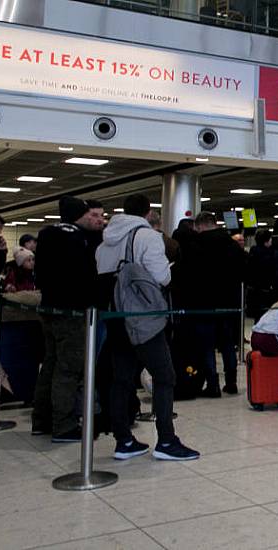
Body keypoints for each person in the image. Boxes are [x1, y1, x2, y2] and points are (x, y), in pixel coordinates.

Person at [97, 194, 199, 461]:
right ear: (147, 212)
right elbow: (162, 277)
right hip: (143, 318)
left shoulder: (105, 241)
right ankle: (166, 441)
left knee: (121, 379)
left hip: (116, 317)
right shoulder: (147, 237)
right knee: (165, 377)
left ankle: (124, 441)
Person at [31, 197, 100, 442]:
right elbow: (84, 275)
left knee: (50, 363)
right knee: (69, 368)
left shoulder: (47, 233)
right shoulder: (75, 238)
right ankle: (64, 425)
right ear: (79, 214)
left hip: (49, 306)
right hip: (72, 311)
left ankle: (41, 420)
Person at [173, 212, 247, 397]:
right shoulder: (232, 244)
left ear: (199, 226)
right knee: (227, 344)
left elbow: (186, 273)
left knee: (206, 345)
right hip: (229, 302)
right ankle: (231, 382)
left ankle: (212, 384)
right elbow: (244, 270)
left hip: (203, 302)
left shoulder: (196, 244)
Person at [246, 229, 278, 321]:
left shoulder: (252, 252)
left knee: (257, 318)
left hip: (254, 291)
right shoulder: (272, 254)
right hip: (267, 291)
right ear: (267, 241)